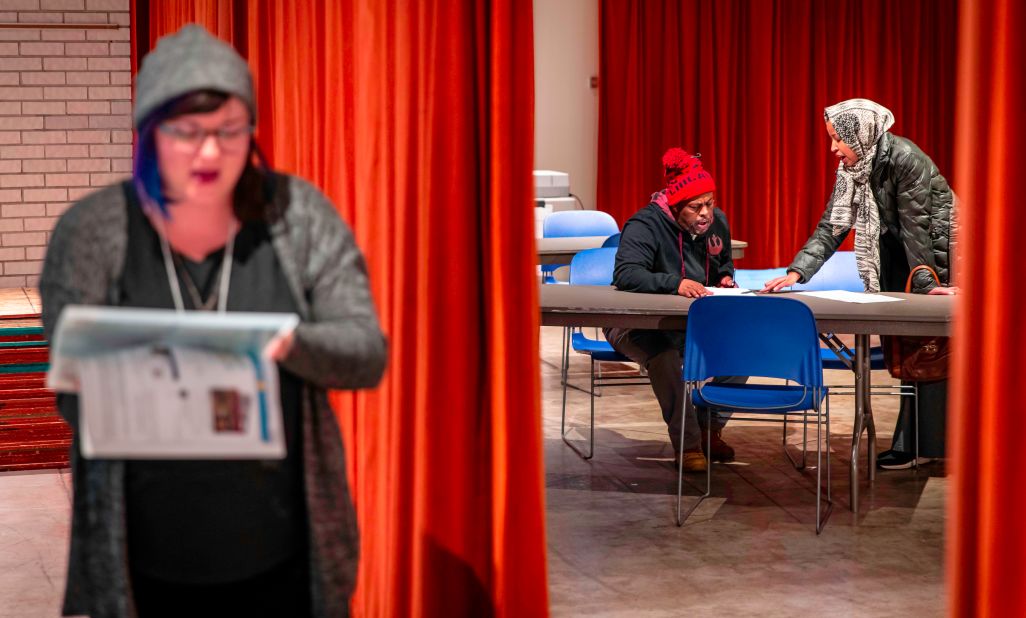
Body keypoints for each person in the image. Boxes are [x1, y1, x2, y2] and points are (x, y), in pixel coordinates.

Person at [40, 25, 387, 617]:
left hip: (281, 548)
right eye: (187, 133)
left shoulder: (296, 214)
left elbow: (364, 352)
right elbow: (70, 398)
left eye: (230, 132)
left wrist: (287, 343)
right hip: (142, 555)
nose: (209, 153)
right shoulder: (92, 230)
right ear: (148, 134)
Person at [762, 98, 956, 470]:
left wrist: (928, 285)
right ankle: (915, 444)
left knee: (929, 354)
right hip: (901, 259)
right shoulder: (852, 168)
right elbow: (832, 225)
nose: (833, 147)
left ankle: (926, 446)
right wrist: (797, 272)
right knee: (907, 356)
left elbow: (918, 228)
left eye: (838, 139)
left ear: (860, 134)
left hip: (938, 253)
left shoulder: (904, 157)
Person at [603, 148, 742, 472]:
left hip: (692, 324)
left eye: (710, 203)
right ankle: (688, 443)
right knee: (664, 357)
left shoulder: (716, 222)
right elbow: (626, 274)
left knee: (741, 348)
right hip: (637, 325)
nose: (706, 213)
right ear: (676, 205)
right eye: (696, 207)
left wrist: (725, 278)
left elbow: (724, 264)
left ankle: (710, 429)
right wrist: (674, 282)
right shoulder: (645, 224)